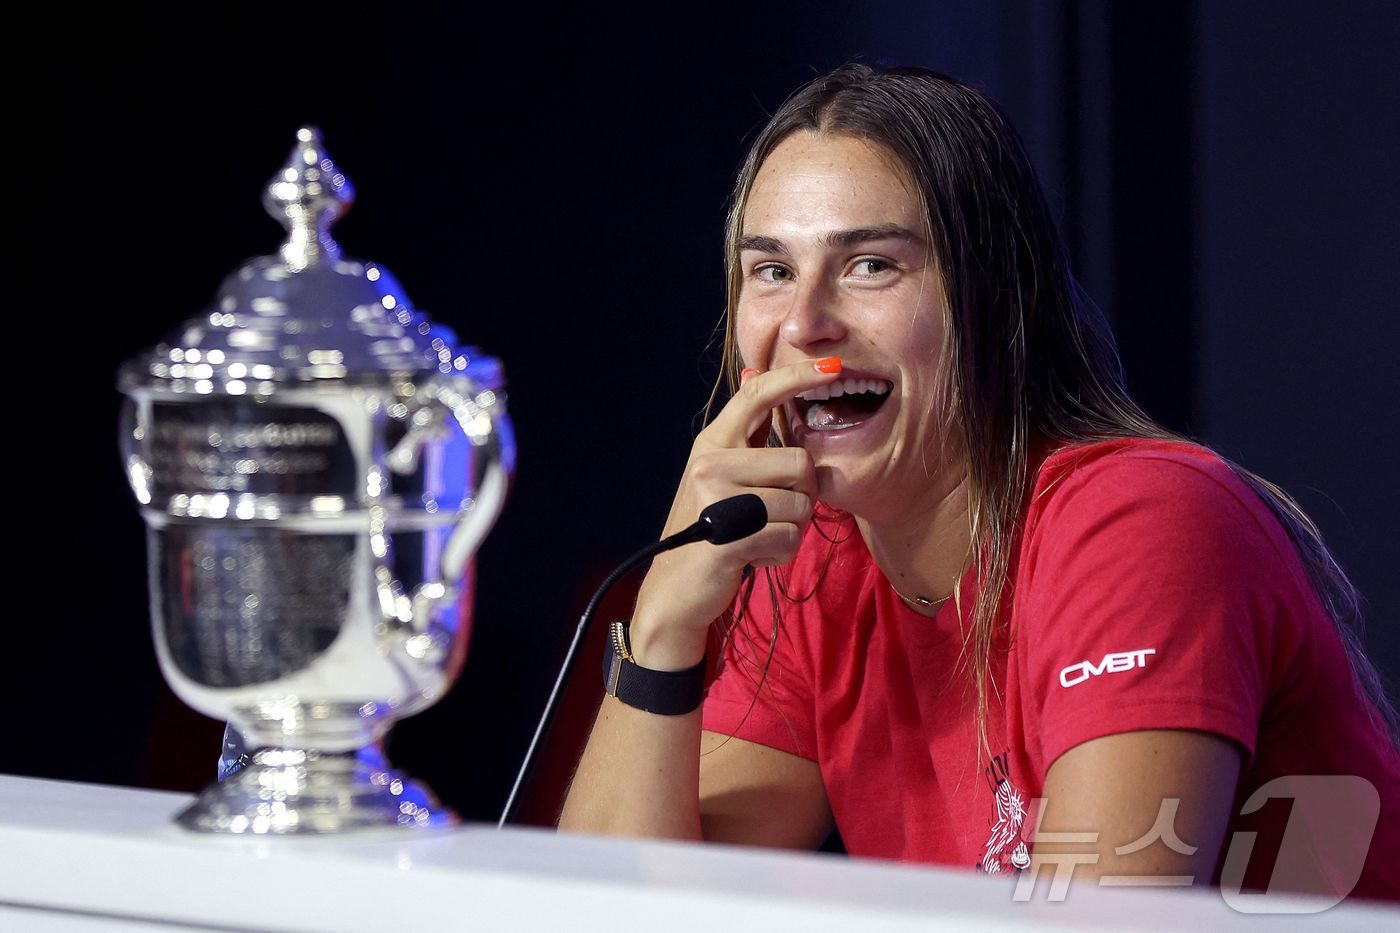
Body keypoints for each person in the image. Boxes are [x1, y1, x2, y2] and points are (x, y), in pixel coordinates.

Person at [558, 64, 1400, 902]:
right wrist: (665, 621)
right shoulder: (817, 561)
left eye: (871, 265)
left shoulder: (1140, 521)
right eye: (771, 270)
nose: (804, 324)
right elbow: (611, 912)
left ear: (997, 299)